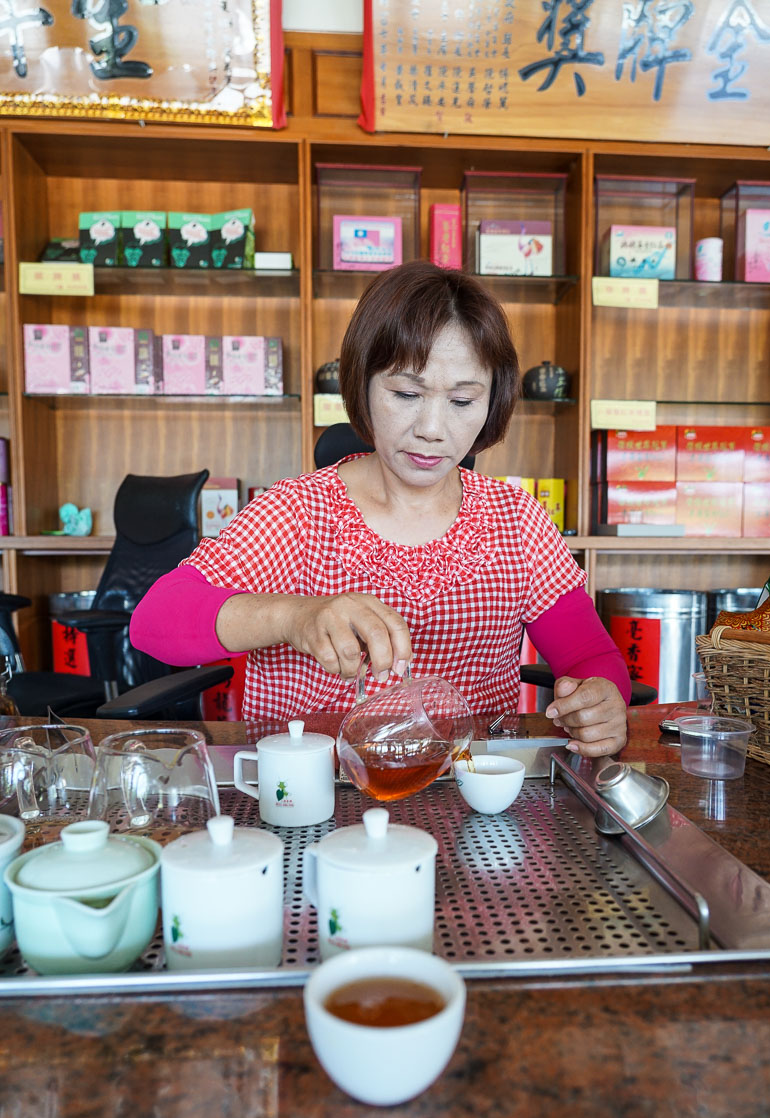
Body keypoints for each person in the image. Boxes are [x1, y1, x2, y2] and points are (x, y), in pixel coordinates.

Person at [130, 261, 630, 756]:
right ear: (363, 385)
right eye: (407, 393)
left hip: (470, 799)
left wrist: (601, 700)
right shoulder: (296, 513)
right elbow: (154, 622)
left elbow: (589, 655)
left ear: (491, 401)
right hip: (312, 800)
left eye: (462, 402)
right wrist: (294, 616)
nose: (432, 429)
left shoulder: (515, 519)